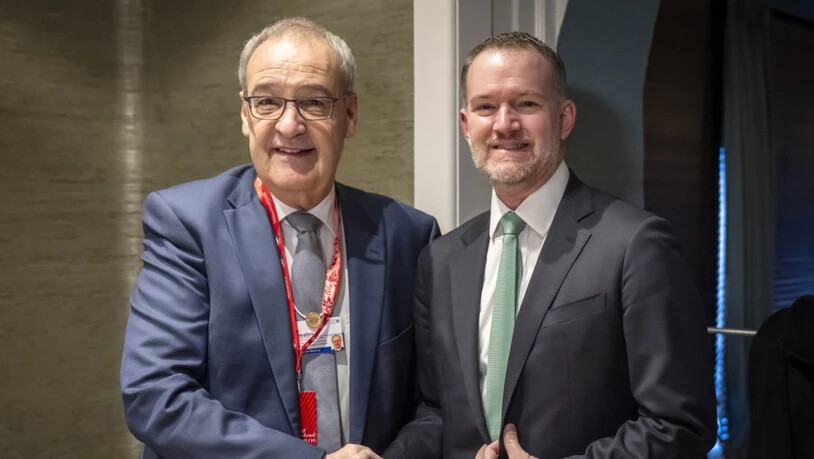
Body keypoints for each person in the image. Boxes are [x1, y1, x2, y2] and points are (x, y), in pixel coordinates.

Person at [385, 32, 716, 458]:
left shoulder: (636, 244)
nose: (504, 124)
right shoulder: (441, 259)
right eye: (486, 107)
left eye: (526, 104)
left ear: (563, 118)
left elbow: (680, 424)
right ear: (467, 126)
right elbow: (436, 409)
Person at [121, 17, 438, 459]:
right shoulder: (187, 224)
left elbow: (434, 403)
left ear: (349, 115)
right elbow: (156, 396)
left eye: (314, 102)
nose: (290, 125)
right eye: (267, 102)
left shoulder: (408, 234)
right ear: (245, 116)